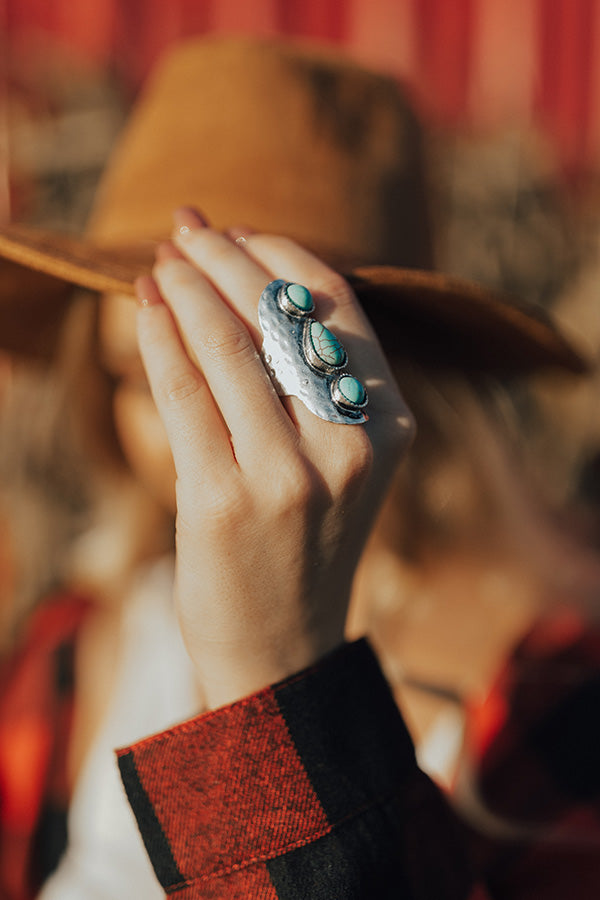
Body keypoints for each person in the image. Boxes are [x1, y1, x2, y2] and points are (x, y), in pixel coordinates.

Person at [0, 36, 597, 899]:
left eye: (241, 374)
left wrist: (277, 677)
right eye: (148, 380)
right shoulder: (83, 645)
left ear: (386, 383)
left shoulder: (555, 695)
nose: (192, 435)